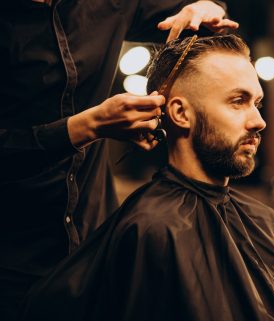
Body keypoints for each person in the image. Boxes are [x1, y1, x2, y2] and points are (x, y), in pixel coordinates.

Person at [21, 35, 274, 321]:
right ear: (180, 113)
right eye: (237, 101)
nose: (259, 121)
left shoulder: (263, 222)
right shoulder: (152, 229)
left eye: (257, 103)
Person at [0, 1, 238, 320]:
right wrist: (89, 126)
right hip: (11, 261)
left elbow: (194, 8)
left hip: (93, 247)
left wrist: (204, 6)